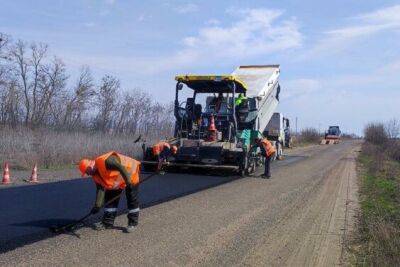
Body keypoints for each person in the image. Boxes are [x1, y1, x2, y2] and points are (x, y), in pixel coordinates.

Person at [79, 151, 141, 233]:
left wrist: (128, 182)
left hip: (131, 174)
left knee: (131, 199)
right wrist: (97, 206)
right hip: (118, 181)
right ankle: (107, 223)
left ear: (90, 166)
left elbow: (121, 167)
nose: (88, 174)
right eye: (86, 173)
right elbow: (100, 190)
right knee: (110, 199)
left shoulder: (105, 161)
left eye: (87, 172)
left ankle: (132, 223)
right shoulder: (96, 176)